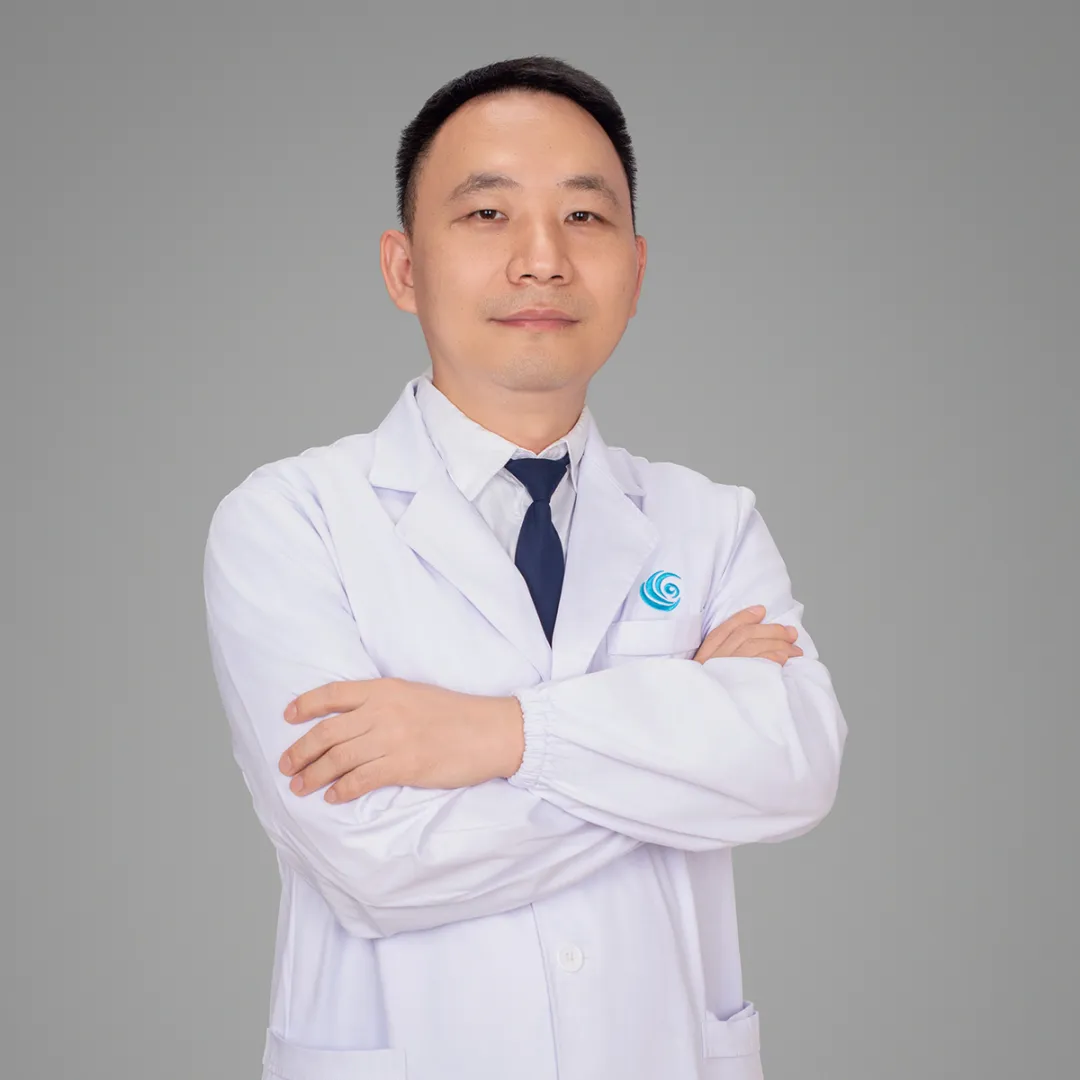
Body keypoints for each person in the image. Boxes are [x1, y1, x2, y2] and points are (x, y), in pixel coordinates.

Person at [203, 55, 848, 1080]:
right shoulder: (291, 520)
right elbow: (377, 862)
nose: (542, 259)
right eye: (488, 214)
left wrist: (498, 733)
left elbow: (795, 768)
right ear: (403, 268)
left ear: (636, 270)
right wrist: (684, 736)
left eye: (584, 217)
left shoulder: (710, 522)